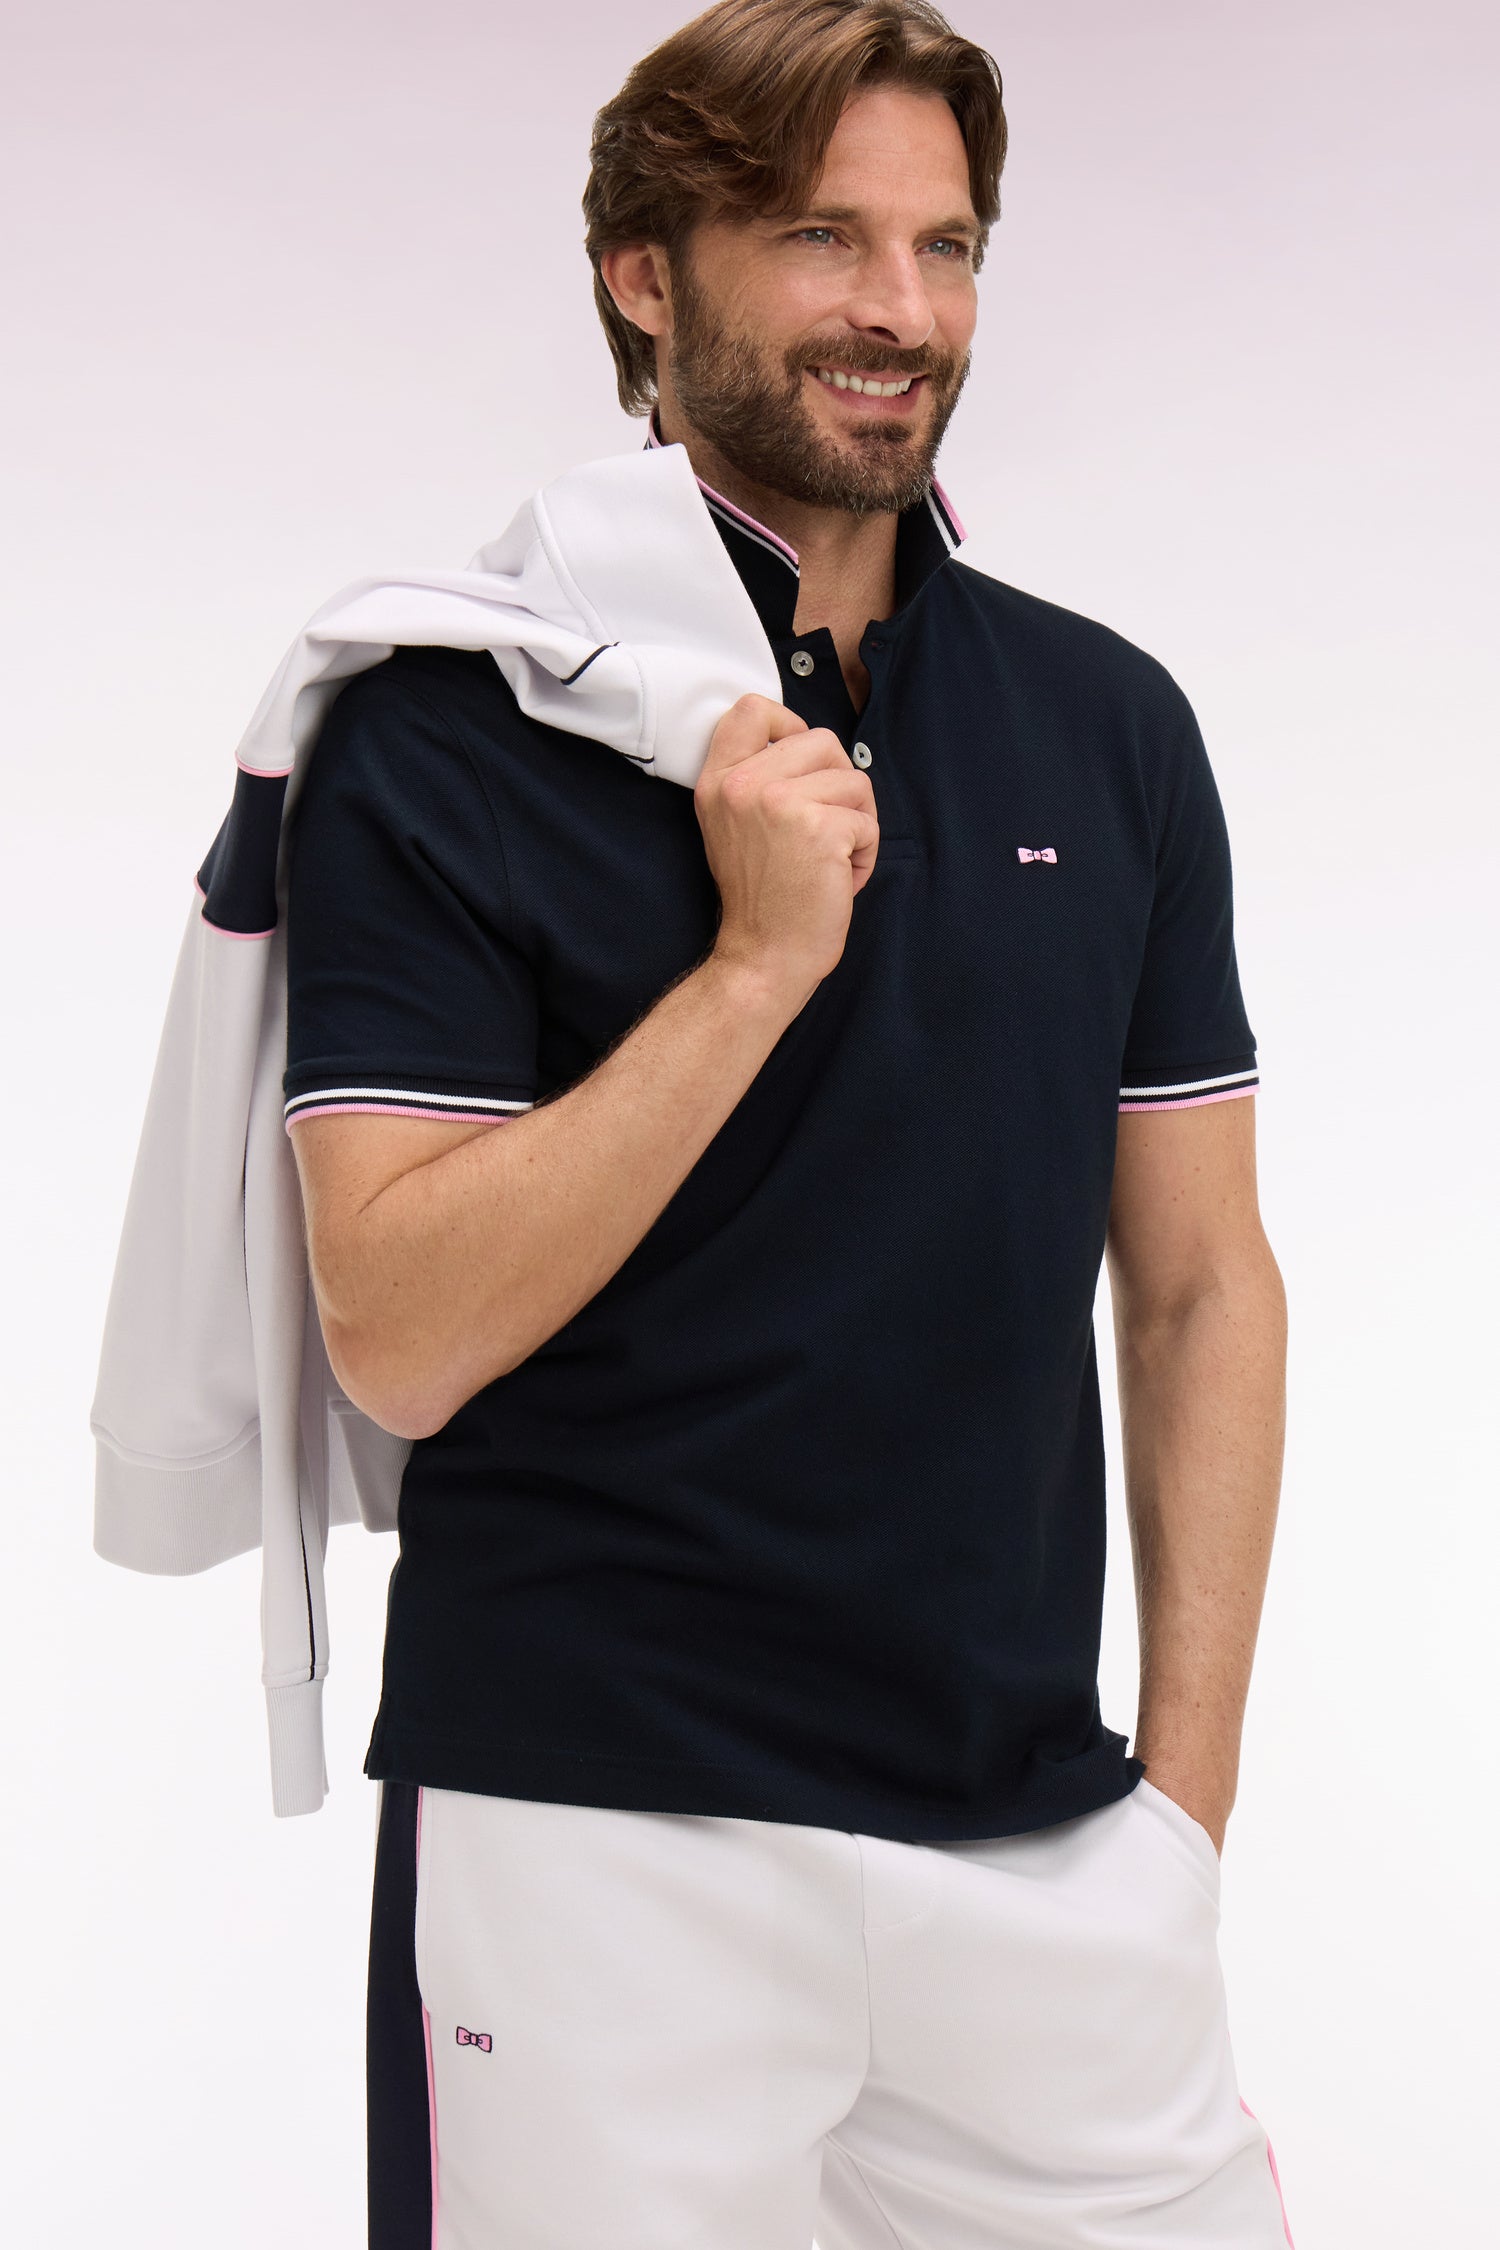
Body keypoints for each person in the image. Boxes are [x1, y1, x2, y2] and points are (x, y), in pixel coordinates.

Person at [284, 3, 1295, 2243]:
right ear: (646, 274)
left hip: (1046, 1844)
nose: (900, 311)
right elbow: (398, 1335)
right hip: (598, 1839)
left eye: (948, 246)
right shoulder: (443, 734)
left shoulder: (1107, 722)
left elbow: (1203, 1284)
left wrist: (1182, 1816)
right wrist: (751, 967)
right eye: (824, 237)